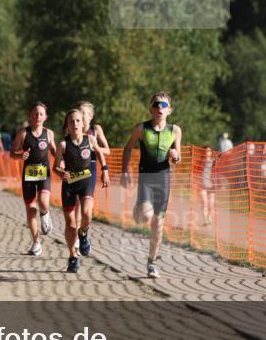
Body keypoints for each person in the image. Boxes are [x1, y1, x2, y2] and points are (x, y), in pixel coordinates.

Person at [121, 92, 182, 279]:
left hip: (163, 179)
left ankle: (152, 262)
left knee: (158, 224)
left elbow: (178, 157)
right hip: (146, 178)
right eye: (156, 105)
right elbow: (128, 148)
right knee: (145, 217)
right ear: (151, 109)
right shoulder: (141, 129)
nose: (160, 108)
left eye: (164, 105)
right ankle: (139, 208)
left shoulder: (175, 130)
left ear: (169, 110)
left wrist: (175, 156)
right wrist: (125, 171)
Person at [55, 109, 110, 273]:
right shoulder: (63, 144)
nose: (75, 124)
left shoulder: (90, 139)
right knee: (70, 225)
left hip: (86, 180)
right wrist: (60, 172)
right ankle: (73, 256)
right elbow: (55, 166)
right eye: (71, 121)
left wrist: (104, 170)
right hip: (69, 184)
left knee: (87, 213)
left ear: (83, 124)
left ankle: (84, 234)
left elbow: (100, 153)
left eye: (78, 121)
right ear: (67, 125)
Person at [11, 102, 58, 255]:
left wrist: (62, 161)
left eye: (41, 114)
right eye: (35, 114)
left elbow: (55, 152)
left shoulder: (49, 134)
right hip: (28, 175)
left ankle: (45, 215)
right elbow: (12, 153)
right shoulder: (23, 133)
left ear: (45, 117)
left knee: (43, 201)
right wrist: (20, 155)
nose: (38, 117)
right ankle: (36, 243)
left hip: (44, 172)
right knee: (31, 210)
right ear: (30, 116)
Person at [77, 101, 111, 257]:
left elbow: (107, 151)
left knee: (86, 210)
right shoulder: (73, 127)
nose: (81, 116)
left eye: (84, 113)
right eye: (79, 112)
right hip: (74, 170)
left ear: (90, 116)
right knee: (75, 209)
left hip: (90, 169)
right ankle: (76, 243)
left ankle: (83, 233)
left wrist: (94, 147)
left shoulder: (95, 130)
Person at [200, 146, 217, 226]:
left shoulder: (213, 161)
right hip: (202, 185)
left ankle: (209, 217)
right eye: (206, 151)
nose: (207, 152)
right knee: (204, 202)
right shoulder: (201, 162)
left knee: (211, 204)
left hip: (211, 186)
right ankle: (205, 220)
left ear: (211, 152)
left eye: (209, 151)